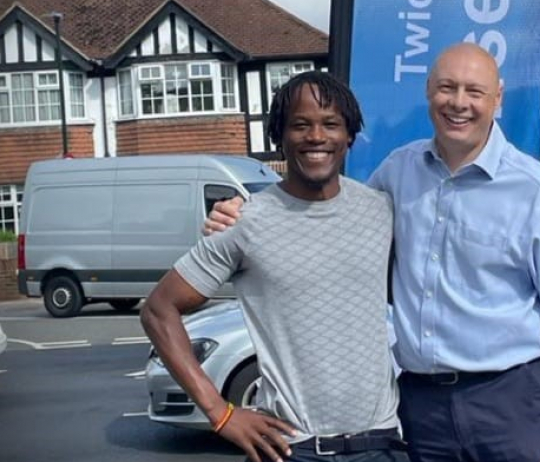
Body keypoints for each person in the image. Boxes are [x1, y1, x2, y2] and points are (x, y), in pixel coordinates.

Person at [205, 43, 540, 462]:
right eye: (447, 88)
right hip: (420, 408)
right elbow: (328, 213)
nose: (458, 103)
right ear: (428, 90)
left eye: (474, 91)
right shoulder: (397, 171)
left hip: (510, 402)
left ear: (497, 98)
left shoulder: (539, 192)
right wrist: (243, 213)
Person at [141, 70, 407, 462]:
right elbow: (158, 310)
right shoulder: (245, 222)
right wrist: (220, 413)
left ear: (349, 135)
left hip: (380, 444)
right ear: (278, 137)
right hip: (292, 448)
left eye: (330, 124)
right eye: (300, 125)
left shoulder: (381, 210)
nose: (316, 136)